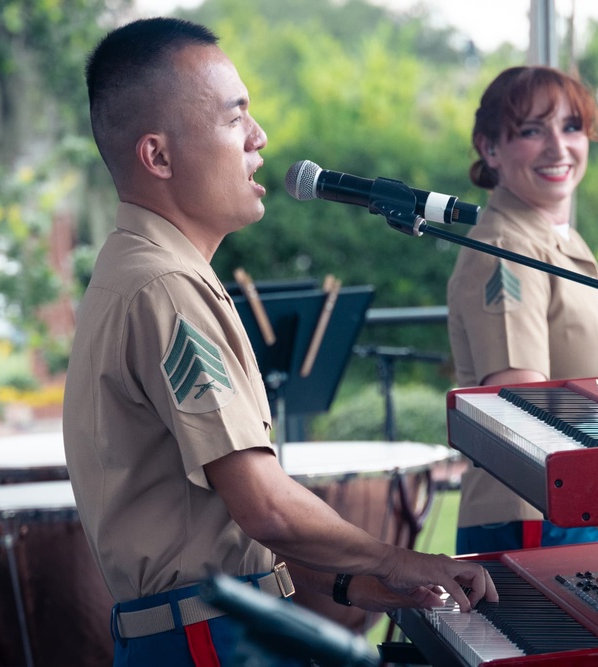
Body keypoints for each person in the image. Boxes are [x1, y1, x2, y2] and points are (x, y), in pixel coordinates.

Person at [62, 17, 497, 666]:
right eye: (236, 118)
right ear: (157, 155)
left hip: (209, 627)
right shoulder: (165, 287)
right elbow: (261, 502)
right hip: (209, 640)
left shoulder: (140, 269)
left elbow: (215, 519)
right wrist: (401, 556)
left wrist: (352, 579)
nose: (260, 138)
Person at [446, 66, 598, 578]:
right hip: (535, 516)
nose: (559, 148)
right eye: (533, 130)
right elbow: (521, 409)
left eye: (572, 127)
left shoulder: (553, 236)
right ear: (490, 148)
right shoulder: (506, 248)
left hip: (576, 508)